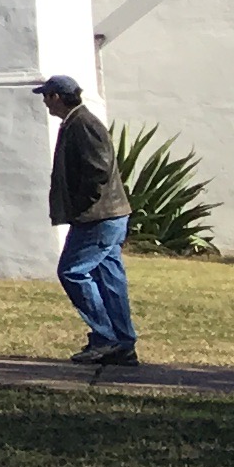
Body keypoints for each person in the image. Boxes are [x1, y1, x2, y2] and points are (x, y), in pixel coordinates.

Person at [38, 73, 138, 367]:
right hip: (109, 215)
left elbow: (99, 169)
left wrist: (82, 203)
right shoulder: (77, 122)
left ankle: (106, 337)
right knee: (110, 278)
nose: (45, 102)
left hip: (98, 217)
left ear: (57, 96)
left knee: (72, 272)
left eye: (47, 96)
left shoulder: (83, 124)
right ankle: (123, 342)